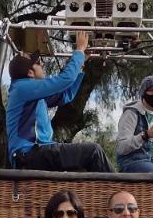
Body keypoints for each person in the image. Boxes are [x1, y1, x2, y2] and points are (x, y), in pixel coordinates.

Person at [6, 30, 113, 172]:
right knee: (93, 152)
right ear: (30, 72)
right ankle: (119, 191)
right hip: (28, 154)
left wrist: (80, 65)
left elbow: (66, 94)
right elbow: (65, 80)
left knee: (83, 167)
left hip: (36, 152)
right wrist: (79, 50)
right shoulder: (22, 87)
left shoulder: (33, 94)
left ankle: (107, 192)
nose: (42, 65)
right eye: (38, 63)